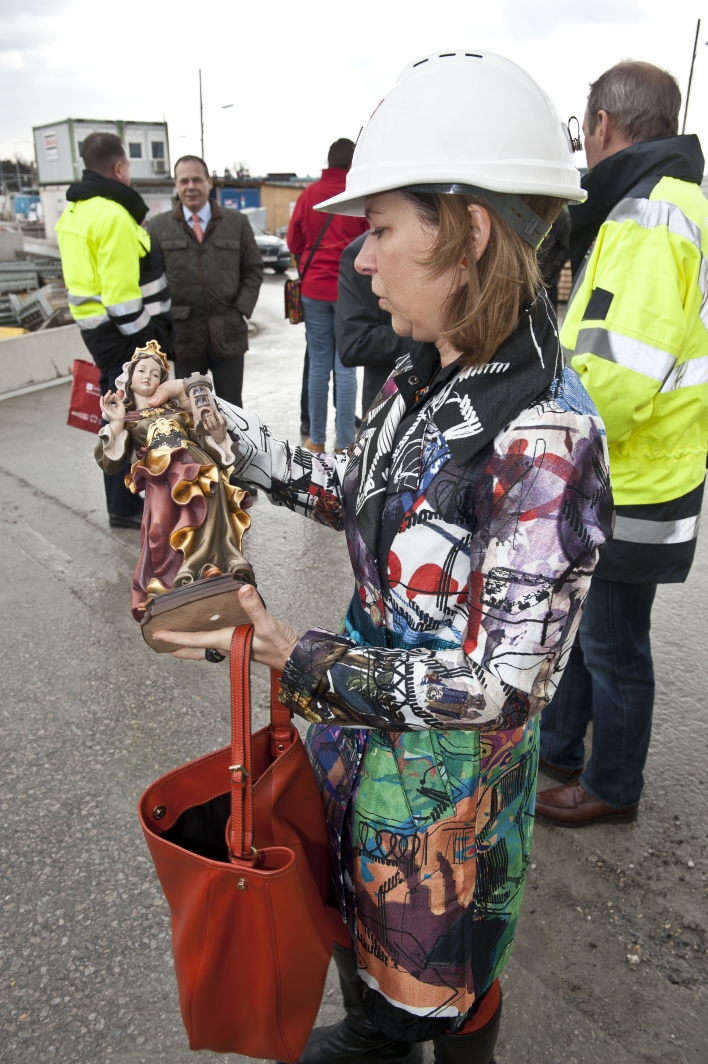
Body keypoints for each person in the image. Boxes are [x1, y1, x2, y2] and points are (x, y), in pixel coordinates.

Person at [150, 52, 612, 1064]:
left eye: (384, 228)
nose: (359, 257)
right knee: (377, 988)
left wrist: (296, 655)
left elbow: (500, 685)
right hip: (365, 777)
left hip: (442, 829)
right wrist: (215, 422)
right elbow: (351, 495)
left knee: (425, 1002)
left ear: (469, 233)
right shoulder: (427, 374)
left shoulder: (544, 437)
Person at [536, 61, 708, 827]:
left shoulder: (649, 215)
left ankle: (611, 787)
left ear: (603, 124)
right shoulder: (672, 202)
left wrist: (557, 434)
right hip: (646, 461)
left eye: (584, 129)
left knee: (611, 642)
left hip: (628, 469)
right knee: (589, 627)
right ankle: (561, 748)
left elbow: (618, 367)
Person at [56, 131, 174, 529]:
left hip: (96, 333)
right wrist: (152, 345)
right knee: (126, 414)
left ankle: (123, 501)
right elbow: (123, 302)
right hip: (125, 334)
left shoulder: (73, 214)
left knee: (115, 413)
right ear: (120, 167)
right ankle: (126, 505)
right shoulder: (113, 217)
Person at [95, 340, 252, 622]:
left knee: (210, 499)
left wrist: (216, 436)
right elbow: (111, 462)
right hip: (158, 475)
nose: (148, 376)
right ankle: (164, 587)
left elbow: (205, 439)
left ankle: (207, 568)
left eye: (156, 374)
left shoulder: (178, 412)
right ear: (129, 379)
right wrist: (116, 423)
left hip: (193, 462)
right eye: (142, 370)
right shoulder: (129, 418)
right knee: (158, 528)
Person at [147, 155, 263, 408]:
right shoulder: (157, 228)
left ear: (209, 182)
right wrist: (163, 328)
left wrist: (241, 309)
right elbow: (151, 282)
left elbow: (253, 269)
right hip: (185, 337)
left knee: (232, 409)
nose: (191, 186)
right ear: (176, 185)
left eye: (197, 180)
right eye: (184, 181)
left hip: (229, 333)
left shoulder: (237, 223)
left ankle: (233, 450)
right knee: (189, 409)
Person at [287, 140, 369, 453]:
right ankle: (346, 441)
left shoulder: (308, 195)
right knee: (346, 366)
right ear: (352, 164)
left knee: (319, 365)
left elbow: (294, 241)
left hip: (313, 291)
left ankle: (316, 440)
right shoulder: (358, 196)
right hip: (350, 293)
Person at [336, 232, 417, 418]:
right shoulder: (360, 256)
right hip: (391, 408)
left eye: (380, 228)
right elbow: (354, 344)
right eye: (373, 227)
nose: (361, 261)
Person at [537, 206, 570, 311]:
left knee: (548, 317)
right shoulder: (536, 210)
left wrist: (552, 269)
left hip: (549, 282)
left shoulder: (562, 217)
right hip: (531, 280)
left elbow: (565, 249)